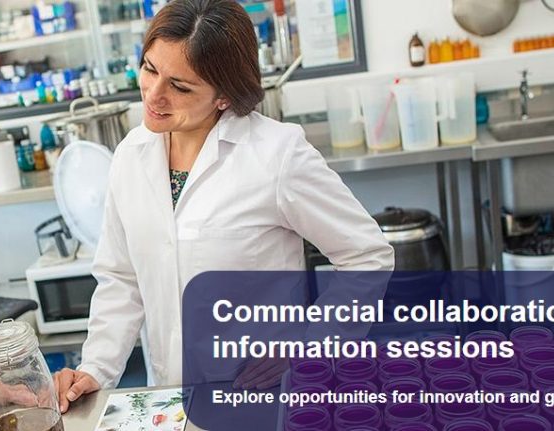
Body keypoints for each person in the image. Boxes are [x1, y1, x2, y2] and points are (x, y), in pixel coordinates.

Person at [53, 0, 394, 412]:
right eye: (149, 68)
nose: (154, 95)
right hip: (172, 401)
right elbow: (122, 279)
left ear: (224, 97)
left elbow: (367, 257)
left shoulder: (276, 155)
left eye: (180, 87)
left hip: (264, 398)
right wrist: (97, 368)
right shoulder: (132, 153)